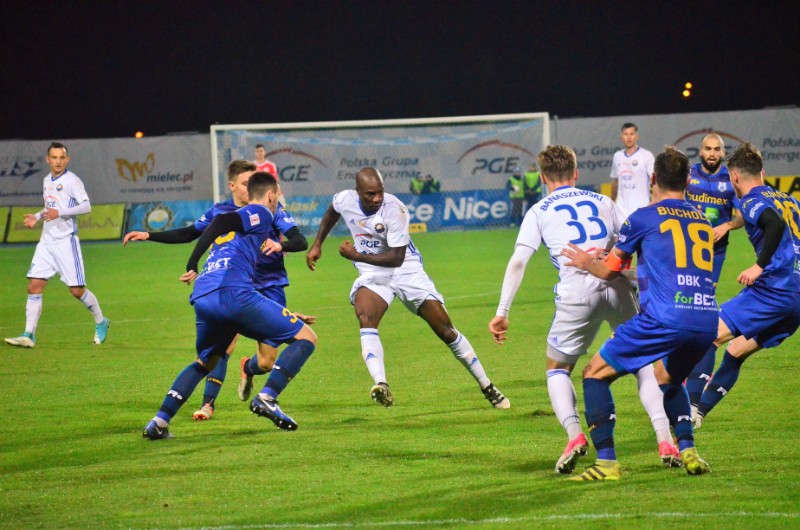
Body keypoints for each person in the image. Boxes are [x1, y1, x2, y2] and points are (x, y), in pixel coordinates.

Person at [488, 145, 680, 475]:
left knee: (558, 368)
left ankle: (575, 435)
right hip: (617, 285)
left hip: (576, 291)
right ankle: (665, 438)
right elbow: (636, 240)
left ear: (544, 178)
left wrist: (503, 311)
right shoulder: (604, 201)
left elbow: (519, 260)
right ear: (576, 173)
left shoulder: (538, 210)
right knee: (645, 363)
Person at [562, 146, 716, 480]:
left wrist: (585, 261)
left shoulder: (644, 217)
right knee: (668, 378)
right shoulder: (702, 218)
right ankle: (688, 451)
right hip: (706, 320)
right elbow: (666, 268)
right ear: (688, 180)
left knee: (594, 374)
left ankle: (607, 463)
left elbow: (607, 272)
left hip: (665, 318)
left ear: (654, 177)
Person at [306, 167, 510, 409]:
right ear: (358, 192)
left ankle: (487, 386)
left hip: (406, 270)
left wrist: (356, 255)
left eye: (380, 192)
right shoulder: (344, 199)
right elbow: (332, 211)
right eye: (370, 194)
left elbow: (396, 258)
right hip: (374, 273)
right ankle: (381, 384)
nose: (377, 198)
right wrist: (317, 244)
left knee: (445, 330)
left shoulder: (395, 210)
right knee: (365, 316)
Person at [124, 160, 312, 421]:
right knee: (224, 346)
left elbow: (299, 239)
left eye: (252, 183)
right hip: (233, 287)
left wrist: (282, 246)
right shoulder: (221, 212)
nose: (249, 189)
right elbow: (191, 232)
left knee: (267, 362)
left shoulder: (270, 210)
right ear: (233, 186)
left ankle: (247, 368)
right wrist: (150, 235)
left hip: (267, 284)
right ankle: (208, 404)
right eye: (245, 184)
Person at [693, 143, 800, 428]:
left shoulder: (751, 200)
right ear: (762, 172)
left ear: (734, 178)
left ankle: (687, 409)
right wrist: (730, 225)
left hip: (774, 290)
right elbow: (771, 221)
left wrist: (759, 266)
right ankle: (700, 413)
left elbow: (773, 225)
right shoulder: (789, 200)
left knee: (708, 335)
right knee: (735, 350)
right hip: (795, 296)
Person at [5, 142, 110, 348]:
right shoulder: (46, 180)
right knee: (35, 284)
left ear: (67, 159)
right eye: (54, 157)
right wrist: (36, 216)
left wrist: (60, 213)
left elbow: (86, 206)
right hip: (46, 242)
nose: (58, 161)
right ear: (48, 160)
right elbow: (50, 207)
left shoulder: (72, 181)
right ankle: (29, 335)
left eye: (62, 157)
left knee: (76, 290)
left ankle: (101, 321)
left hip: (66, 243)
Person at [683, 133, 744, 411]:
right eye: (707, 149)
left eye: (716, 149)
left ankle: (692, 366)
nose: (711, 153)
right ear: (700, 150)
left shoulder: (730, 180)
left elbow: (742, 215)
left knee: (703, 306)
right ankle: (684, 362)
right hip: (684, 252)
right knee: (683, 302)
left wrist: (728, 226)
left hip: (715, 255)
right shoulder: (689, 175)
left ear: (723, 152)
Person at [610, 123, 655, 220]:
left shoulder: (646, 155)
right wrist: (611, 202)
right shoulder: (617, 156)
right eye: (626, 134)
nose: (629, 137)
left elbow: (655, 181)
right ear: (621, 137)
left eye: (632, 134)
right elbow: (615, 182)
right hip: (622, 210)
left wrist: (655, 200)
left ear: (637, 136)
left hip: (642, 208)